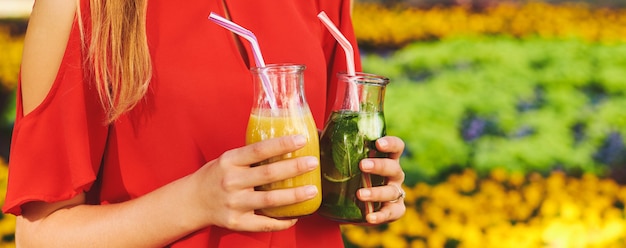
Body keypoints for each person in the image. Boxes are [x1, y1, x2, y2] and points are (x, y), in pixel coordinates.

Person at [3, 0, 407, 247]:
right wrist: (195, 201)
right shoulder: (79, 6)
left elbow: (323, 157)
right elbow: (40, 238)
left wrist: (366, 180)